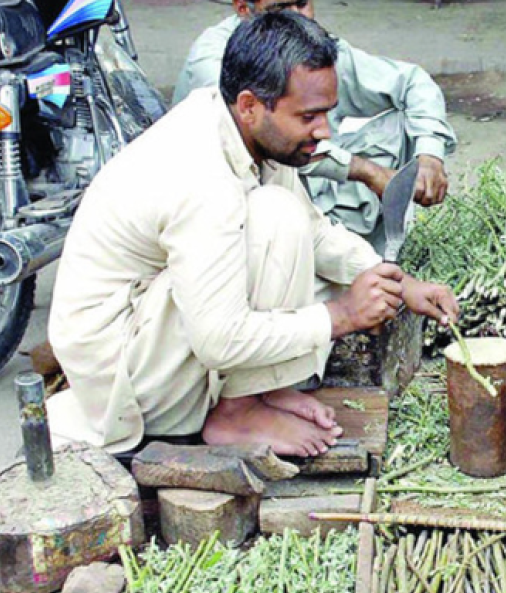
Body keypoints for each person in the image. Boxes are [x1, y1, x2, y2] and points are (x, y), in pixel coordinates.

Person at [46, 12, 459, 458]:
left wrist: (403, 285)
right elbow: (218, 338)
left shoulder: (247, 130)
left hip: (153, 332)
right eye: (309, 116)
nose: (323, 131)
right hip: (123, 384)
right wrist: (341, 315)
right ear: (250, 105)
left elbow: (315, 235)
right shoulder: (202, 178)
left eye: (326, 114)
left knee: (283, 216)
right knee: (272, 219)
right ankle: (236, 412)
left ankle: (259, 392)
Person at [172, 0, 457, 254]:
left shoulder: (310, 46)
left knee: (403, 126)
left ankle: (381, 258)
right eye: (283, 7)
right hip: (246, 204)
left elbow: (411, 82)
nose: (300, 17)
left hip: (302, 186)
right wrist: (366, 170)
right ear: (244, 9)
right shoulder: (213, 62)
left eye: (303, 3)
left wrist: (429, 155)